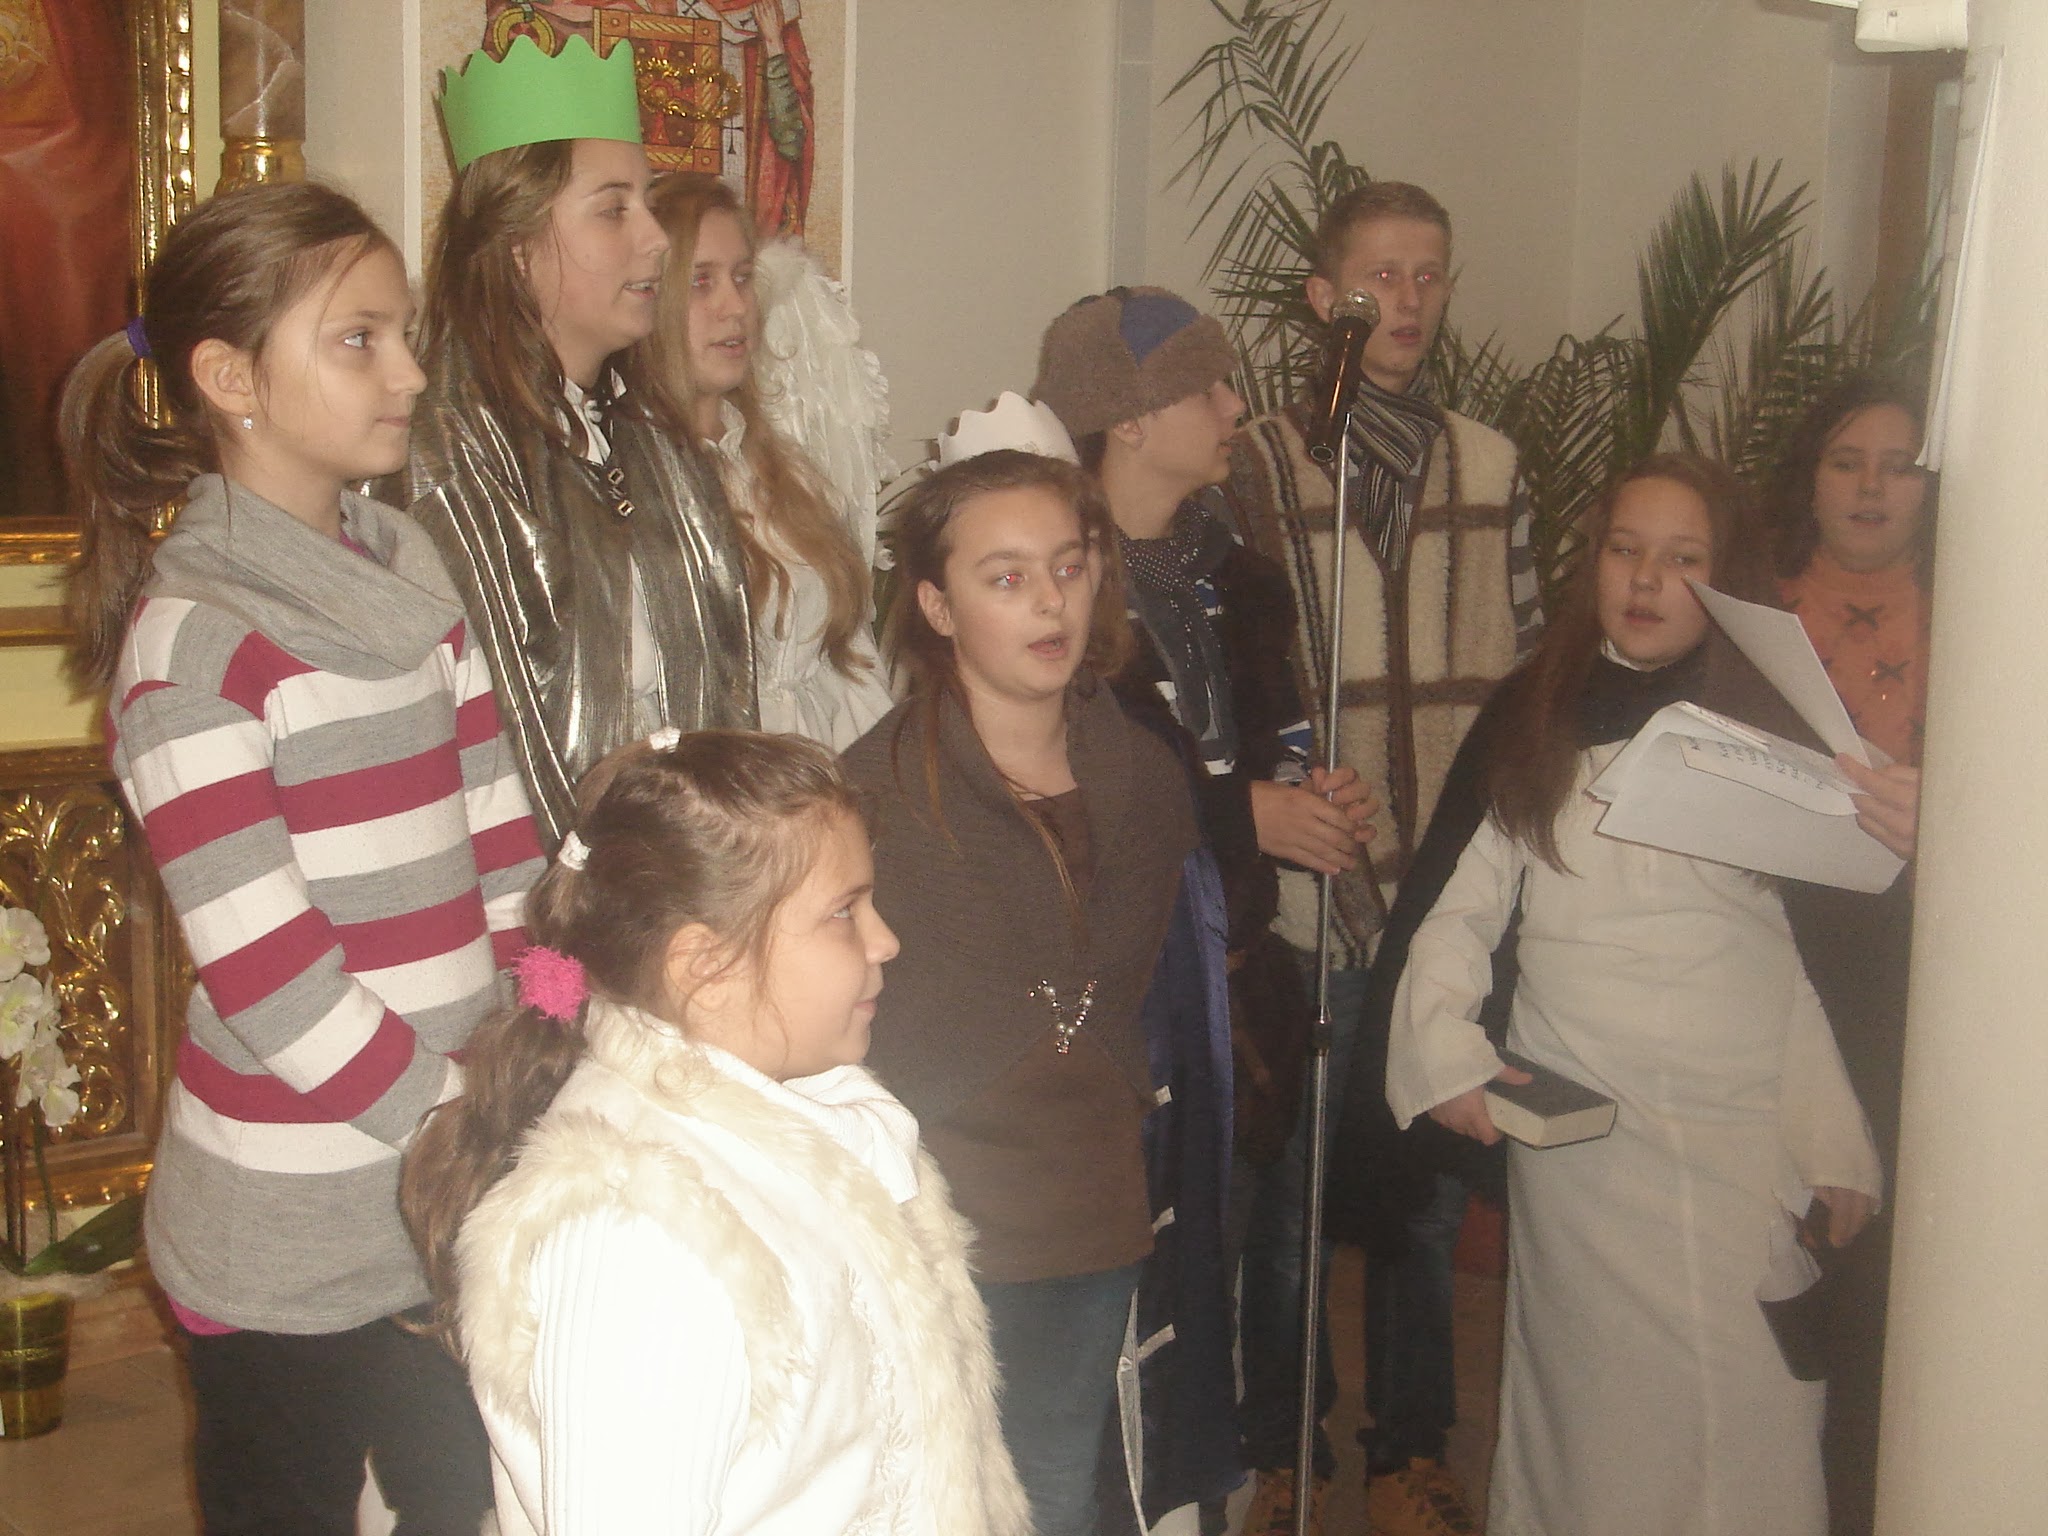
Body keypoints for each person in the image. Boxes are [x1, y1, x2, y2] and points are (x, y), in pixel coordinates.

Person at [61, 181, 544, 1535]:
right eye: (358, 339)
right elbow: (277, 983)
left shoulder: (409, 561)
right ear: (231, 380)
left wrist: (546, 1027)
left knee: (471, 1505)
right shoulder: (193, 646)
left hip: (447, 1183)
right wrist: (464, 1122)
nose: (410, 373)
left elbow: (501, 837)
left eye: (403, 335)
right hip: (287, 1235)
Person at [1384, 454, 1883, 1536]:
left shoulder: (1768, 727)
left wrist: (1832, 1138)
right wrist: (1446, 1050)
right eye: (1625, 550)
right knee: (1595, 1414)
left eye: (1682, 558)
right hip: (1589, 1139)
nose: (1647, 579)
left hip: (1735, 1125)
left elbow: (1799, 962)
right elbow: (1458, 910)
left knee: (1755, 1405)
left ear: (1724, 581)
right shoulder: (1537, 715)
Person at [400, 729, 1027, 1535]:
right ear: (705, 966)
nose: (885, 940)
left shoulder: (820, 1124)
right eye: (843, 912)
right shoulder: (640, 1233)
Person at [1217, 180, 1541, 1535]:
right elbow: (1232, 678)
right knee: (1290, 1202)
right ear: (1323, 299)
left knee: (1422, 1200)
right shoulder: (1260, 466)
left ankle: (1410, 1450)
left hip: (1447, 899)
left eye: (1428, 275)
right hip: (1314, 897)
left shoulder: (1493, 464)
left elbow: (1529, 677)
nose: (1405, 300)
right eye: (1379, 277)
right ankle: (1282, 1446)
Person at [840, 450, 1197, 1536]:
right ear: (938, 607)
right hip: (925, 1203)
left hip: (1084, 1199)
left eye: (1067, 567)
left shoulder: (1146, 776)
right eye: (1006, 578)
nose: (1050, 601)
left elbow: (1146, 989)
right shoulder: (869, 795)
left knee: (1052, 1489)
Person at [395, 34, 755, 849]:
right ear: (517, 244)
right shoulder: (447, 451)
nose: (656, 239)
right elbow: (498, 744)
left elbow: (724, 690)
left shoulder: (650, 439)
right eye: (613, 208)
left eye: (647, 203)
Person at [1764, 376, 1935, 1535]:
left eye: (1898, 464)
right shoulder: (1749, 612)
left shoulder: (1992, 611)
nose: (1871, 486)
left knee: (1892, 1235)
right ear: (1808, 480)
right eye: (1844, 460)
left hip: (1921, 961)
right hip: (1777, 944)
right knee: (1789, 1229)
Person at [632, 172, 892, 749]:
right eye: (700, 282)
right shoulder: (628, 482)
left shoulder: (786, 473)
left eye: (743, 277)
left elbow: (851, 665)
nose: (736, 307)